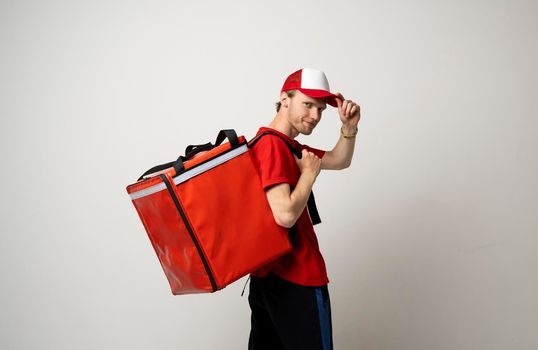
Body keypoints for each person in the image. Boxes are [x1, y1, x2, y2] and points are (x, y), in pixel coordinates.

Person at [248, 68, 361, 350]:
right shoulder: (273, 146)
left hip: (267, 276)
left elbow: (338, 159)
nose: (315, 116)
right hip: (297, 276)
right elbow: (285, 215)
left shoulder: (287, 146)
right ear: (284, 99)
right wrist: (308, 176)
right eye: (307, 104)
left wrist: (348, 128)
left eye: (320, 109)